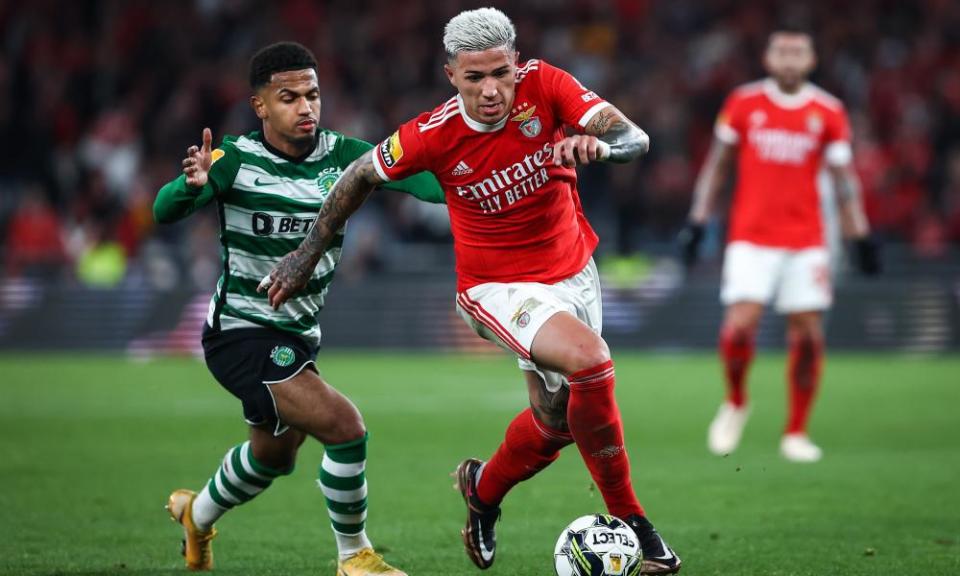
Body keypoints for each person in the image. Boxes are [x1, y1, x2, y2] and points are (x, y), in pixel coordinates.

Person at [262, 8, 681, 575]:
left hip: (574, 270)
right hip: (497, 286)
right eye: (475, 78)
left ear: (516, 64)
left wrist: (599, 148)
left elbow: (635, 138)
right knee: (592, 362)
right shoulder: (430, 135)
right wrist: (305, 255)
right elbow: (359, 174)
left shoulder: (548, 84)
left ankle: (482, 491)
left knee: (557, 421)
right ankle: (635, 526)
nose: (491, 91)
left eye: (501, 74)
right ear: (451, 75)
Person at [153, 41, 443, 574]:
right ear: (260, 106)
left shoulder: (346, 156)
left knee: (272, 458)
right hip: (241, 331)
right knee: (345, 426)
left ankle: (196, 515)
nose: (306, 107)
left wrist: (478, 180)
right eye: (289, 98)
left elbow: (428, 183)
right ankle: (354, 556)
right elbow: (165, 209)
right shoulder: (235, 159)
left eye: (312, 95)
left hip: (298, 333)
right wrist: (188, 186)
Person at [679, 29, 879, 463]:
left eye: (798, 52)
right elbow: (717, 167)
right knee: (739, 324)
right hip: (751, 237)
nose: (789, 59)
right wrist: (697, 222)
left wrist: (859, 234)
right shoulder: (744, 103)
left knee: (807, 334)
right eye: (781, 51)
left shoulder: (828, 111)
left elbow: (845, 182)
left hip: (806, 240)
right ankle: (735, 401)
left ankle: (796, 431)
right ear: (768, 58)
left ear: (811, 60)